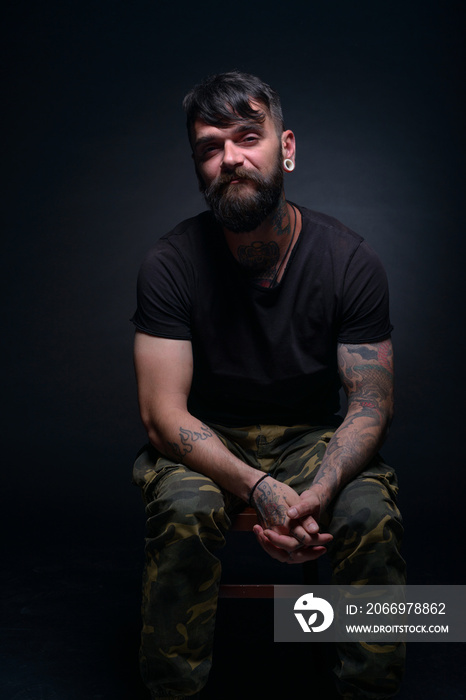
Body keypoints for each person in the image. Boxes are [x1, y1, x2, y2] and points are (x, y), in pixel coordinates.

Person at [131, 71, 406, 700]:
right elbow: (161, 416)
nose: (229, 158)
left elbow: (370, 404)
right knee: (185, 506)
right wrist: (260, 487)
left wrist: (321, 486)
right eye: (209, 146)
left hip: (311, 438)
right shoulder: (170, 263)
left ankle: (371, 688)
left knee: (370, 509)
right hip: (204, 440)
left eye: (246, 137)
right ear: (198, 167)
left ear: (285, 147)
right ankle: (173, 690)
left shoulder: (350, 260)